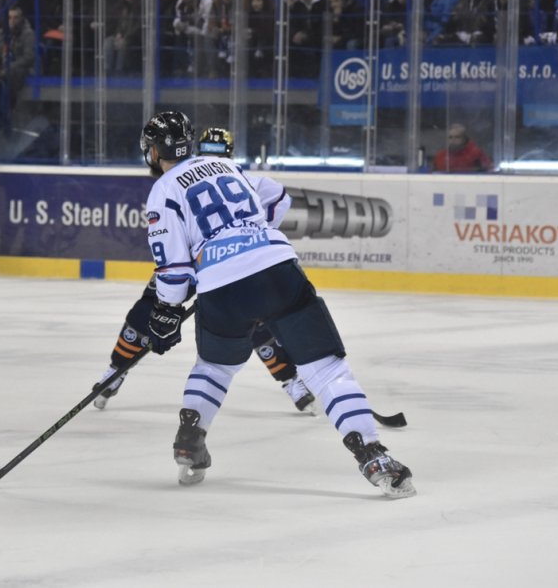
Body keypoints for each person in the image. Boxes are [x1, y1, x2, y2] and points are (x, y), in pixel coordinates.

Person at [138, 111, 416, 498]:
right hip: (276, 270)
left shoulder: (162, 191)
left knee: (214, 366)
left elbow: (173, 267)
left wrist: (167, 310)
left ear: (153, 152)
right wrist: (251, 237)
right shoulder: (225, 166)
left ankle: (190, 439)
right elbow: (277, 196)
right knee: (326, 369)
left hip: (220, 288)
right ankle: (374, 457)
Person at [92, 127, 317, 415]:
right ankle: (115, 370)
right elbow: (279, 198)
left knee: (154, 309)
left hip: (199, 261)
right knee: (250, 319)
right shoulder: (235, 173)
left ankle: (114, 373)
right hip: (225, 260)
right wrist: (255, 233)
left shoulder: (183, 178)